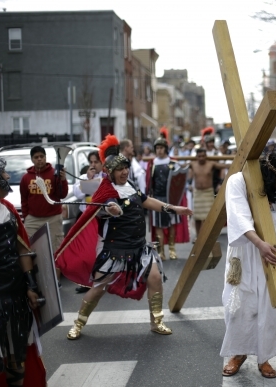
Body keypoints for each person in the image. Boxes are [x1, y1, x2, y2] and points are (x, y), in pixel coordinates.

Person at [54, 134, 192, 340]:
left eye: (126, 168)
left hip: (139, 246)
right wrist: (112, 210)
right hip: (116, 249)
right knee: (99, 287)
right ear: (110, 172)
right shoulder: (105, 191)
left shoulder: (131, 185)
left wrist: (173, 208)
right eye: (120, 169)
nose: (125, 172)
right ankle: (78, 324)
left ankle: (157, 322)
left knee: (154, 278)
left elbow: (146, 201)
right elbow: (105, 209)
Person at [220, 151, 276, 379]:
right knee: (237, 302)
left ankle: (264, 356)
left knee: (270, 303)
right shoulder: (238, 180)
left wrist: (268, 238)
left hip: (273, 247)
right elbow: (237, 215)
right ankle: (238, 353)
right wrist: (258, 242)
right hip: (245, 248)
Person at [0, 133, 46, 386]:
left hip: (16, 298)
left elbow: (22, 250)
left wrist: (31, 285)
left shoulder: (7, 210)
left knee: (17, 363)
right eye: (1, 173)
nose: (7, 177)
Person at [20, 145, 68, 286]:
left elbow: (62, 195)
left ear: (46, 157)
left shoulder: (54, 173)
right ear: (32, 159)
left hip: (53, 217)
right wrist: (27, 216)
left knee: (56, 249)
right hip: (33, 219)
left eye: (42, 156)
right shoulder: (26, 178)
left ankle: (56, 280)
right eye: (36, 157)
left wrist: (63, 180)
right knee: (29, 249)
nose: (39, 159)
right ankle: (34, 280)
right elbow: (24, 199)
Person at [147, 131, 189, 260]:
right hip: (157, 198)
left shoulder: (173, 163)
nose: (159, 150)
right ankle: (161, 251)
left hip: (171, 198)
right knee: (159, 225)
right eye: (157, 148)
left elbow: (178, 182)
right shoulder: (152, 164)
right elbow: (149, 182)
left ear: (165, 149)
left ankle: (172, 249)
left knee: (171, 224)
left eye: (161, 148)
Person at [72, 151, 104, 293]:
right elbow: (77, 193)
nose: (93, 165)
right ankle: (86, 282)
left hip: (101, 218)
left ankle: (101, 279)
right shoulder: (84, 177)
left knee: (100, 249)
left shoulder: (106, 178)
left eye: (96, 162)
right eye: (90, 162)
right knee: (86, 251)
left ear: (101, 163)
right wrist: (89, 180)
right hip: (86, 219)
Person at [188, 148, 230, 237]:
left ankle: (207, 237)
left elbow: (223, 166)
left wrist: (237, 161)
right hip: (197, 193)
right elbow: (183, 168)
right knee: (197, 217)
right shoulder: (193, 164)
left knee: (209, 217)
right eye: (199, 156)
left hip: (208, 193)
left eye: (203, 156)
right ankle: (198, 237)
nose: (201, 158)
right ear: (196, 157)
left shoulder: (211, 164)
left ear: (206, 156)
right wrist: (188, 183)